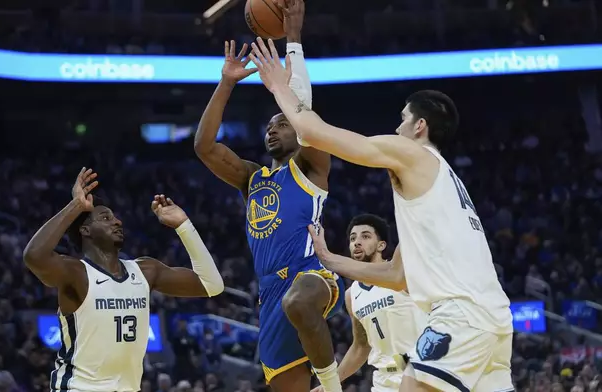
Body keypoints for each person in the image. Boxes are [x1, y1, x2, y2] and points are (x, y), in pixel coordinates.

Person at [249, 39, 514, 392]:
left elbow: (313, 133)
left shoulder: (413, 153)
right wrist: (330, 259)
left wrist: (280, 86)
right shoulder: (447, 185)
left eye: (403, 120)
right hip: (495, 319)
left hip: (460, 316)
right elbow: (397, 274)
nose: (397, 128)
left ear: (420, 126)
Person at [193, 1, 345, 391]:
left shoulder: (311, 168)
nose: (272, 129)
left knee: (299, 301)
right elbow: (204, 147)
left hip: (310, 274)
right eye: (269, 125)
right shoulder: (252, 178)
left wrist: (293, 38)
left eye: (281, 123)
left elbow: (304, 113)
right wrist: (227, 82)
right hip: (269, 292)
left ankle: (332, 386)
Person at [23, 168, 224, 392]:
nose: (117, 221)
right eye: (106, 218)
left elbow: (212, 284)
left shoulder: (145, 270)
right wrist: (77, 205)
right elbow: (34, 256)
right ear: (85, 230)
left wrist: (183, 225)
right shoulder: (76, 272)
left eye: (115, 217)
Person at [311, 214, 427, 392]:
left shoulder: (403, 276)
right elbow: (361, 346)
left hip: (423, 373)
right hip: (384, 380)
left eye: (365, 236)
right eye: (353, 238)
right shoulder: (351, 295)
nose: (357, 242)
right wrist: (329, 384)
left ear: (381, 245)